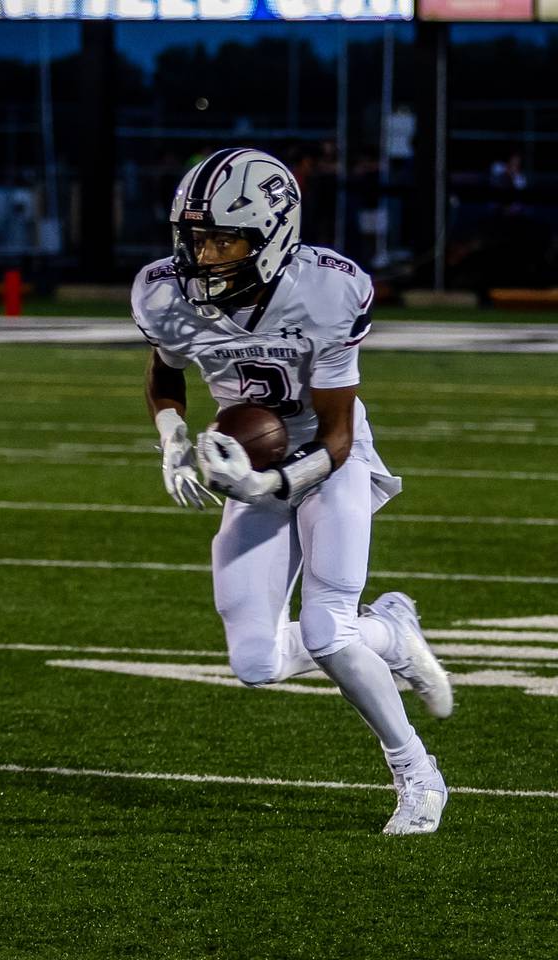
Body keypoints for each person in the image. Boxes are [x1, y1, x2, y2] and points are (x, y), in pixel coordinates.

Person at [134, 147, 454, 836]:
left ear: (272, 234)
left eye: (225, 238)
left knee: (328, 629)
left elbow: (337, 438)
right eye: (198, 238)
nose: (206, 255)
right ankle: (393, 632)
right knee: (254, 662)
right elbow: (165, 374)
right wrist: (172, 439)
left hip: (325, 458)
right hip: (248, 466)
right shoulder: (166, 292)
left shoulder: (326, 290)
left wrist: (269, 481)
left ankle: (418, 774)